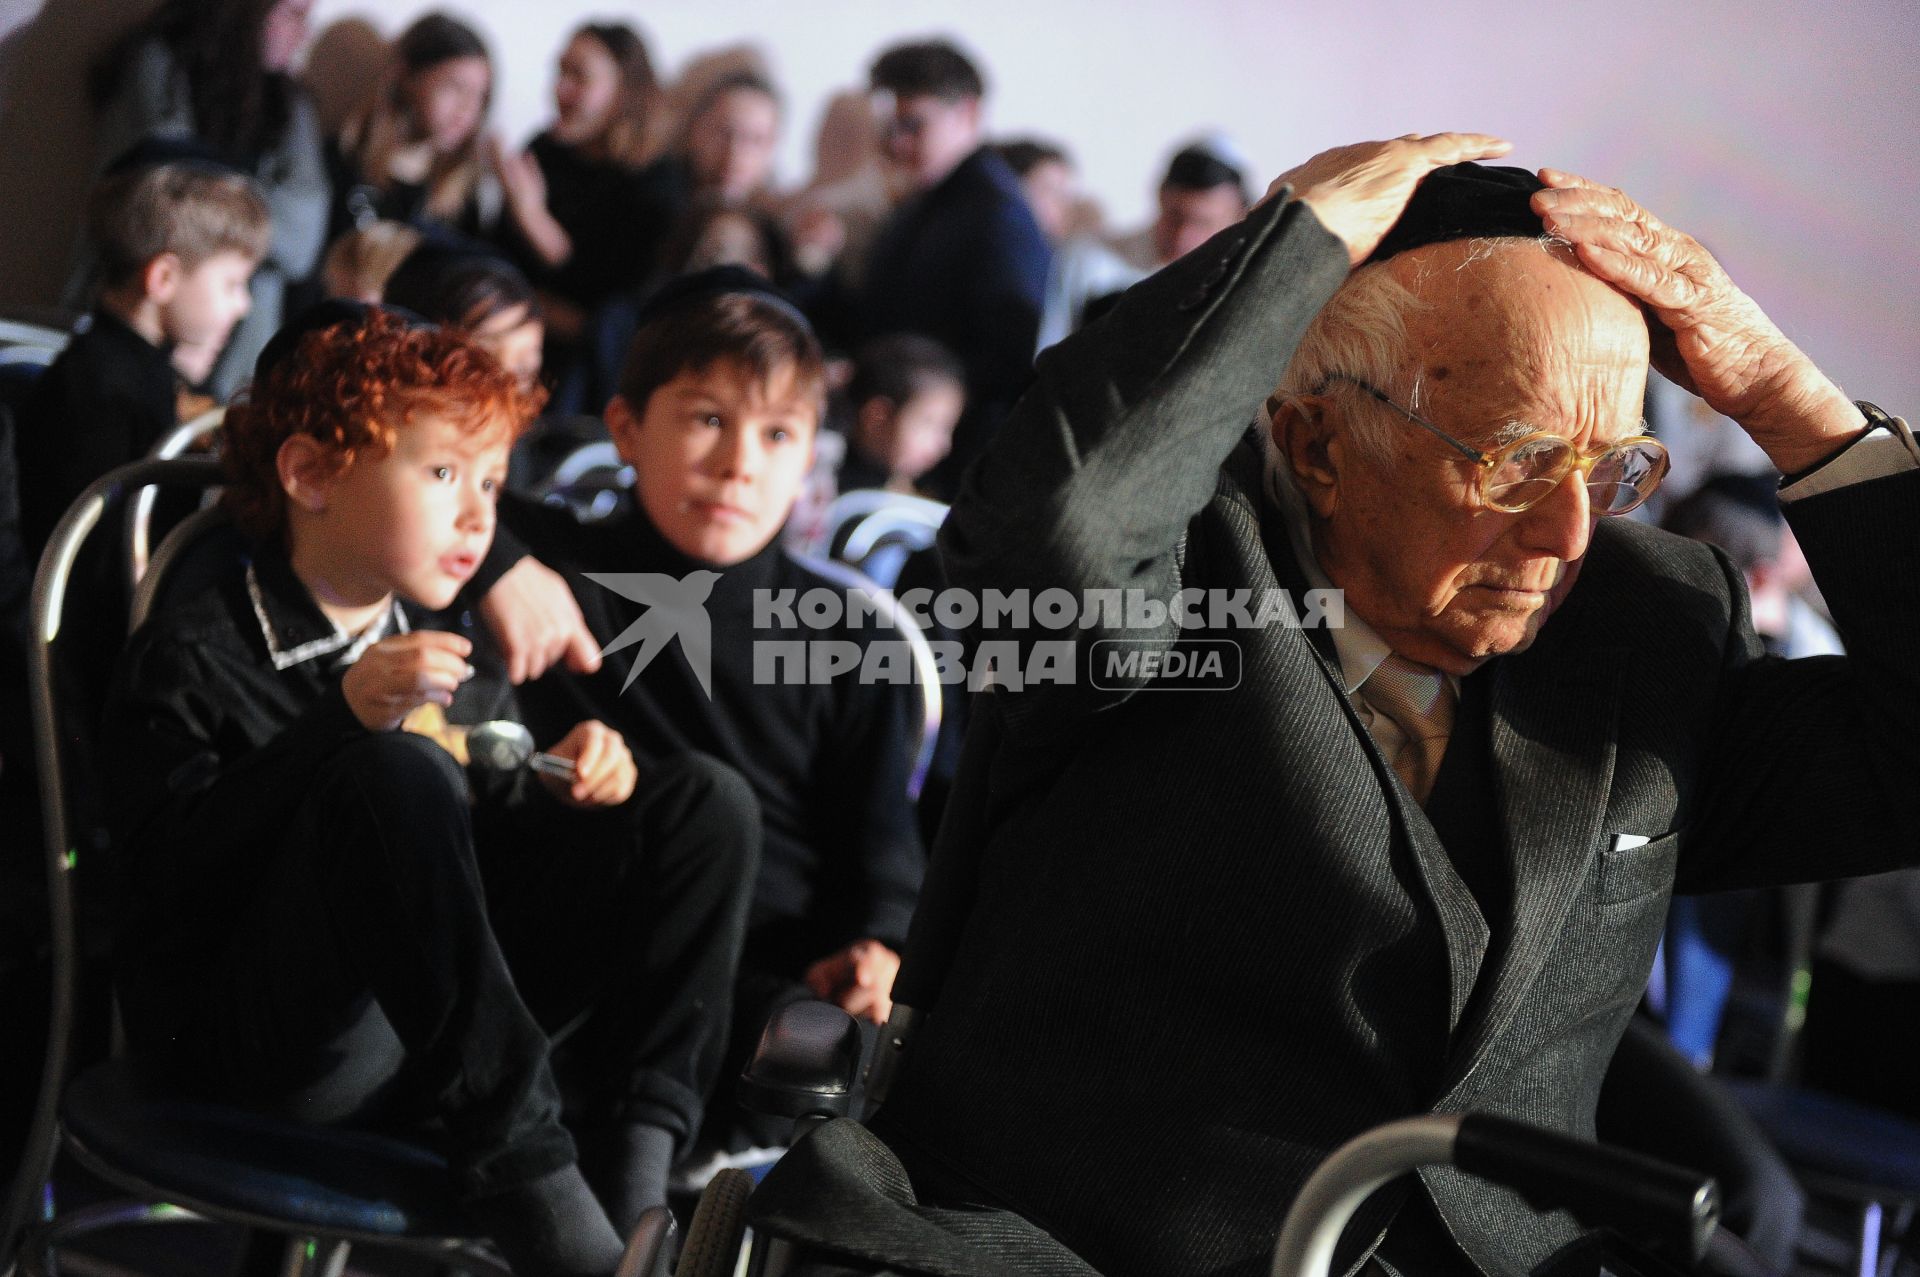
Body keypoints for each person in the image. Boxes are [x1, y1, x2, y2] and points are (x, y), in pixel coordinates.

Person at [749, 134, 1920, 1277]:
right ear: (1318, 444)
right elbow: (1050, 532)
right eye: (1514, 459)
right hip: (1087, 1242)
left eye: (1613, 469)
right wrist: (1291, 246)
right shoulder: (1170, 574)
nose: (1571, 532)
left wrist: (1795, 407)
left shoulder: (1643, 622)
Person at [103, 307, 760, 1274]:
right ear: (312, 475)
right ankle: (547, 1205)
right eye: (444, 473)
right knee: (388, 768)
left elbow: (466, 852)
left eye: (491, 480)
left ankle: (636, 1188)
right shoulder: (195, 649)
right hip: (260, 1052)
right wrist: (342, 723)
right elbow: (166, 881)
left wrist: (560, 779)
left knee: (704, 801)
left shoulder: (448, 646)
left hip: (428, 1042)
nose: (479, 516)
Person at [493, 268, 927, 1156]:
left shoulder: (849, 636)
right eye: (706, 419)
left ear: (810, 457)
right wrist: (497, 564)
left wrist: (875, 946)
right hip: (566, 959)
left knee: (855, 1054)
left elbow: (881, 853)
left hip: (751, 989)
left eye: (776, 433)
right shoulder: (549, 560)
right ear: (625, 428)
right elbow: (387, 475)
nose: (739, 464)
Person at [78, 0, 330, 400]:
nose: (304, 35)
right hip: (133, 326)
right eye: (292, 16)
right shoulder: (158, 64)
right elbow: (166, 201)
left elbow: (301, 239)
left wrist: (221, 189)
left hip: (223, 366)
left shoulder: (290, 105)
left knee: (259, 279)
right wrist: (251, 196)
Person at [18, 154, 267, 554]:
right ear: (163, 278)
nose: (244, 305)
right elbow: (100, 552)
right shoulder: (104, 391)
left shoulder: (133, 368)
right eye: (231, 283)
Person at [852, 39, 1051, 497]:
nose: (897, 143)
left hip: (948, 470)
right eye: (891, 126)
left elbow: (1007, 361)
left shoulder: (998, 219)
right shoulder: (932, 199)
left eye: (914, 125)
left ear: (968, 114)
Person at [493, 22, 668, 350]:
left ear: (625, 91)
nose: (561, 89)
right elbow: (499, 264)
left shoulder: (656, 184)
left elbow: (610, 316)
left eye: (579, 77)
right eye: (560, 72)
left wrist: (532, 217)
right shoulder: (544, 150)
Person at [327, 12, 499, 244]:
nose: (467, 109)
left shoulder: (464, 196)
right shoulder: (341, 161)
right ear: (406, 74)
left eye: (480, 96)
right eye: (455, 87)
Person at [837, 333, 965, 495]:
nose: (943, 446)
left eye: (947, 428)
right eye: (928, 423)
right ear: (877, 416)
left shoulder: (901, 492)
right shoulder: (830, 488)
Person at [1114, 133, 1254, 271]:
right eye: (1175, 217)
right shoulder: (1104, 265)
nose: (1182, 237)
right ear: (1161, 197)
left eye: (1202, 223)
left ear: (1239, 217)